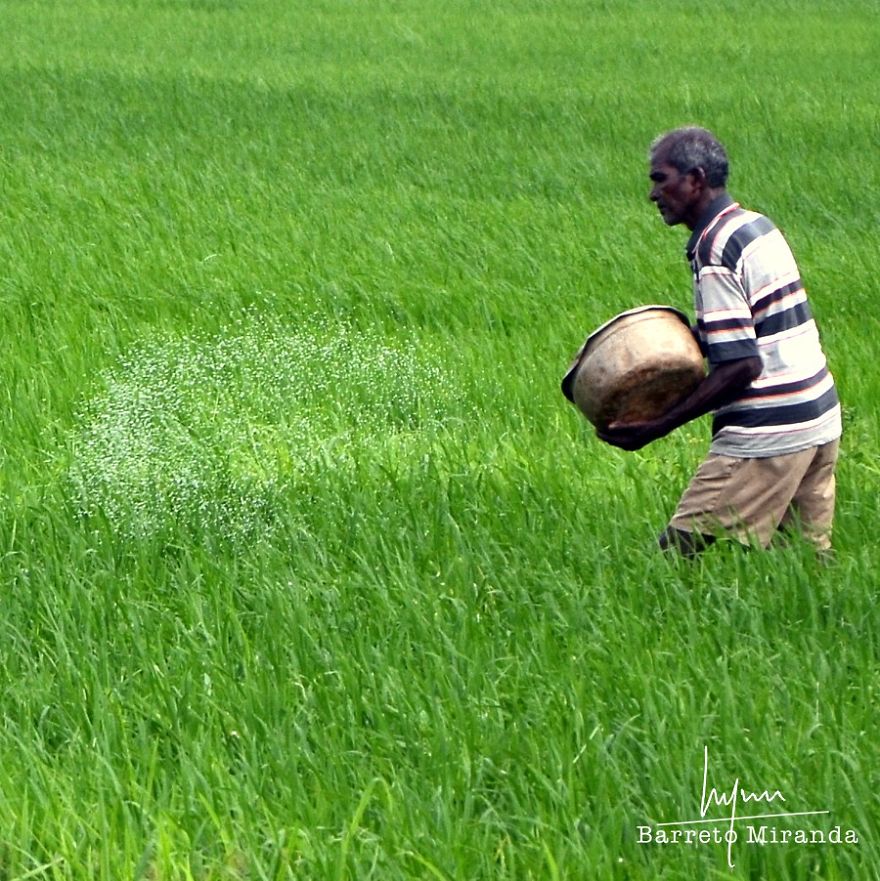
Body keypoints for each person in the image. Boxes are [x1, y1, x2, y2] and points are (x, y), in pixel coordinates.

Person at [598, 126, 842, 556]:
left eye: (660, 179)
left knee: (674, 558)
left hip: (770, 430)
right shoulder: (755, 226)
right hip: (819, 417)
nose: (653, 194)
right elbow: (752, 329)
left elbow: (741, 366)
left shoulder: (714, 249)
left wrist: (657, 425)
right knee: (804, 566)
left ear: (695, 179)